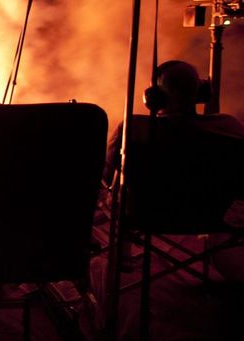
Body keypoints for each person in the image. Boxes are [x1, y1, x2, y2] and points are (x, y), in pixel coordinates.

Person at [103, 60, 244, 277]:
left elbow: (107, 172)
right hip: (212, 215)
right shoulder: (229, 126)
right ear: (202, 91)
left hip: (145, 215)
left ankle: (122, 258)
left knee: (116, 189)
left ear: (153, 98)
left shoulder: (135, 127)